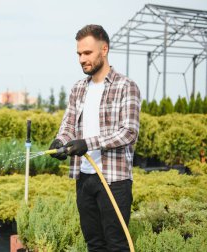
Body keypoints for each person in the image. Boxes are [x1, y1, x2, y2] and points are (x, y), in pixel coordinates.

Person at [49, 24, 141, 252]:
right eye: (79, 54)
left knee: (116, 245)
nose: (82, 59)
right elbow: (69, 125)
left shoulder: (125, 86)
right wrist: (60, 141)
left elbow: (128, 131)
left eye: (87, 53)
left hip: (114, 180)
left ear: (104, 49)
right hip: (84, 179)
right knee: (94, 244)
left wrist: (87, 143)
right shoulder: (78, 89)